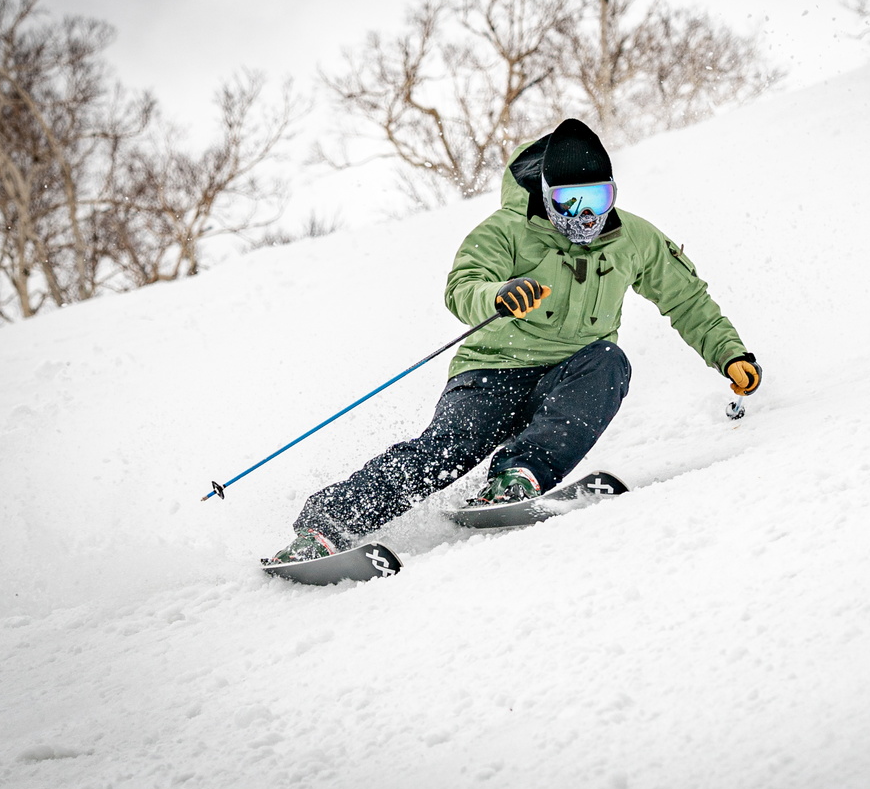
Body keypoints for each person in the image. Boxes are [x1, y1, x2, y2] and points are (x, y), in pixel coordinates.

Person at [269, 118, 762, 563]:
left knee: (610, 360)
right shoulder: (506, 230)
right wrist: (498, 295)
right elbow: (463, 286)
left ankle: (517, 476)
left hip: (570, 375)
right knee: (450, 446)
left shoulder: (635, 238)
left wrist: (729, 353)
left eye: (597, 200)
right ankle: (328, 523)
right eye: (569, 202)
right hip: (490, 371)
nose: (584, 215)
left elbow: (687, 299)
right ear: (545, 195)